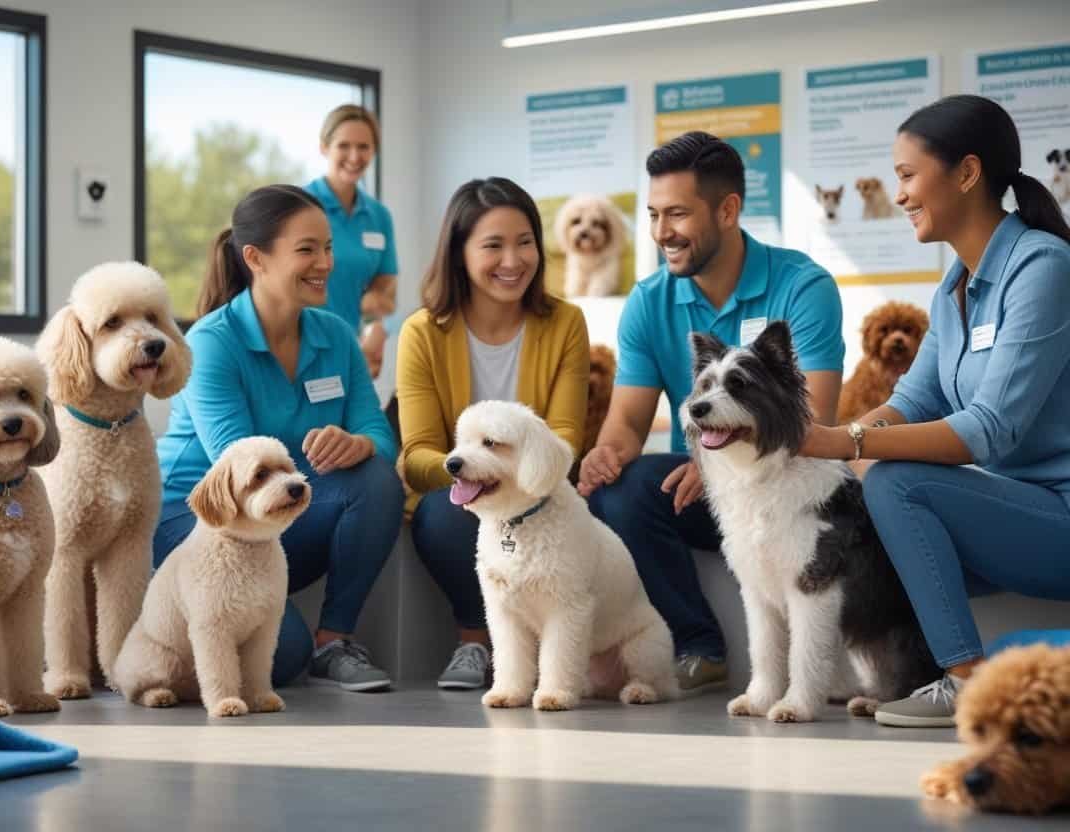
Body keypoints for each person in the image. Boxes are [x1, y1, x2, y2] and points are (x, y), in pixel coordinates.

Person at [799, 95, 1070, 727]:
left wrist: (851, 445)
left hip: (1059, 517)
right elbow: (912, 402)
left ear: (967, 173)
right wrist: (829, 437)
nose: (898, 195)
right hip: (1020, 511)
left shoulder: (1043, 267)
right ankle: (908, 673)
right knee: (868, 491)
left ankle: (967, 681)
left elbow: (989, 429)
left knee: (894, 478)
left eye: (907, 175)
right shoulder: (954, 287)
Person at [578, 131, 844, 694]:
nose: (660, 232)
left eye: (677, 213)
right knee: (623, 488)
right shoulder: (649, 302)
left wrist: (712, 462)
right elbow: (626, 421)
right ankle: (698, 645)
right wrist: (606, 453)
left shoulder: (803, 287)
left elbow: (811, 422)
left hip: (787, 491)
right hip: (709, 499)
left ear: (728, 210)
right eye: (653, 214)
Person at [154, 184, 404, 692]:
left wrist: (360, 444)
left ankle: (333, 641)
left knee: (375, 479)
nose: (326, 263)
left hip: (280, 514)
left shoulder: (336, 334)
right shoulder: (210, 343)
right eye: (307, 249)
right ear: (255, 258)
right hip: (199, 518)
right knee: (280, 658)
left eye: (329, 247)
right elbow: (240, 467)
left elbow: (377, 430)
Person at [398, 177, 589, 689]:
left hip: (542, 484)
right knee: (443, 513)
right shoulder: (422, 332)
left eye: (524, 242)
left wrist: (521, 476)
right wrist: (478, 475)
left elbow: (567, 433)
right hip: (461, 491)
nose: (513, 259)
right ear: (459, 253)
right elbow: (417, 453)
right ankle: (474, 642)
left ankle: (571, 651)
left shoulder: (566, 322)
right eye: (493, 246)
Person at [305, 105, 398, 378]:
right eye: (344, 146)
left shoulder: (379, 216)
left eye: (364, 146)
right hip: (305, 346)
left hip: (357, 352)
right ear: (324, 147)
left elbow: (383, 289)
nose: (355, 156)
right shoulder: (301, 205)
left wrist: (375, 329)